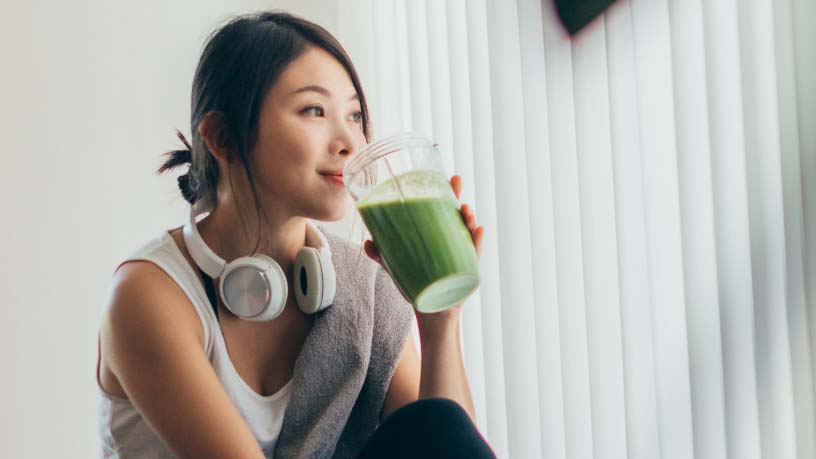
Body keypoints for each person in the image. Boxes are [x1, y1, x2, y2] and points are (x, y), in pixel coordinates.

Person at [96, 10, 495, 459]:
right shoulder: (149, 294)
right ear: (223, 137)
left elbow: (443, 441)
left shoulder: (361, 285)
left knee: (437, 424)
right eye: (314, 110)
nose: (349, 142)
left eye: (355, 115)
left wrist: (439, 318)